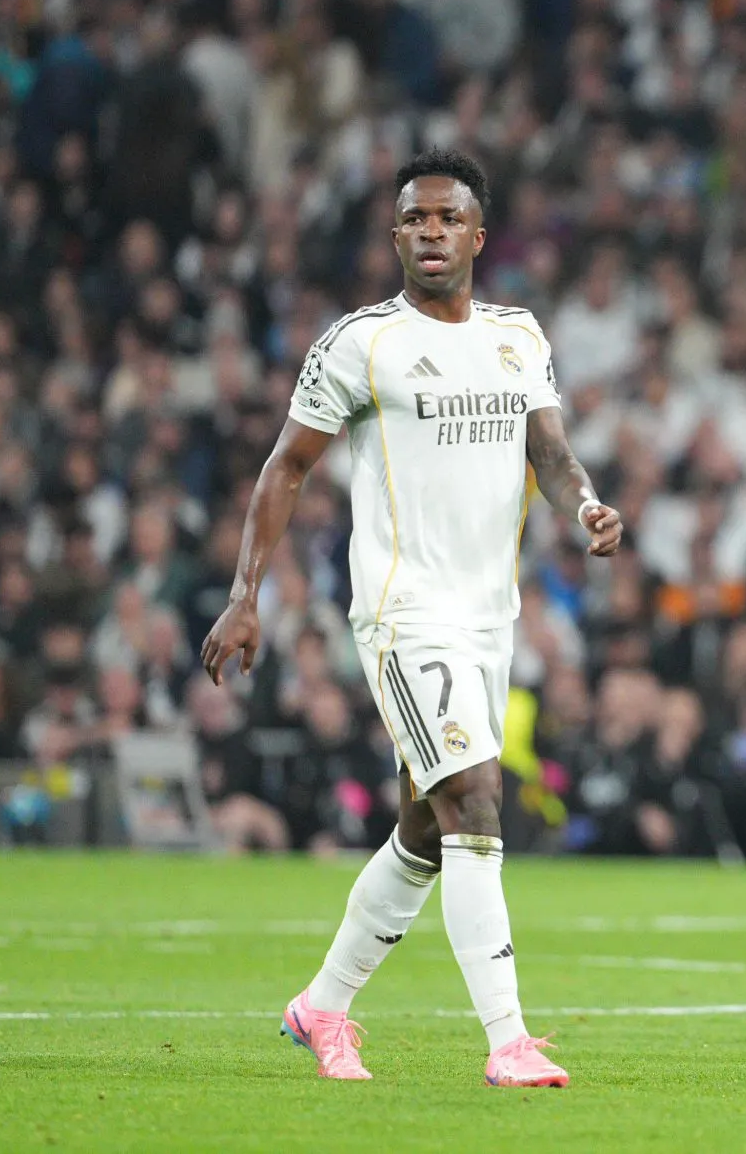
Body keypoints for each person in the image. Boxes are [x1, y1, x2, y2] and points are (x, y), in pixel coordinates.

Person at [200, 149, 624, 1087]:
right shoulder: (360, 342)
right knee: (475, 795)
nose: (431, 233)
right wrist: (245, 592)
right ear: (396, 236)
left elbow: (548, 452)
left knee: (429, 832)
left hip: (489, 616)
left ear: (478, 235)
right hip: (405, 613)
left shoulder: (518, 335)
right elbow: (287, 466)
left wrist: (585, 504)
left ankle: (321, 1007)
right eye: (414, 219)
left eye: (447, 218)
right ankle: (508, 1039)